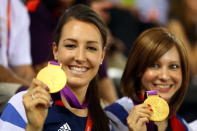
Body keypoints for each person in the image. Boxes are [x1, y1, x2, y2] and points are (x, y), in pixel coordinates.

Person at [0, 4, 110, 131]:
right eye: (71, 46)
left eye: (91, 48)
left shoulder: (105, 120)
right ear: (56, 50)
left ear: (102, 55)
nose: (80, 57)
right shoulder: (25, 104)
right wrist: (34, 127)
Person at [105, 27, 192, 130]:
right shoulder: (114, 117)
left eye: (173, 66)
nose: (164, 76)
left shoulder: (182, 126)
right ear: (138, 69)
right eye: (154, 65)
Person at [0, 0, 35, 113]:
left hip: (6, 85)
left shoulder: (17, 8)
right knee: (28, 101)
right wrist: (30, 90)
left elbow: (23, 69)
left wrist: (42, 87)